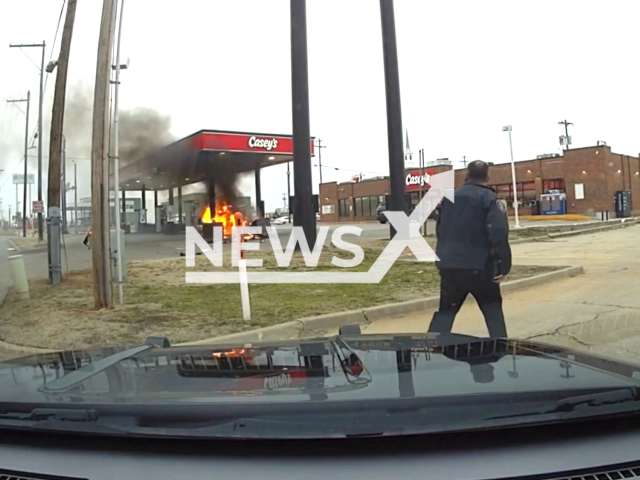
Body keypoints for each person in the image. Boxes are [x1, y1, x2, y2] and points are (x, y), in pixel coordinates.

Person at [427, 160, 511, 338]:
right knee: (493, 313)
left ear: (466, 176)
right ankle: (500, 350)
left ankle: (431, 348)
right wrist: (504, 265)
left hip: (451, 267)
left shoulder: (448, 200)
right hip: (482, 268)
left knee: (445, 313)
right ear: (487, 177)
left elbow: (441, 230)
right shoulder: (489, 199)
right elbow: (498, 233)